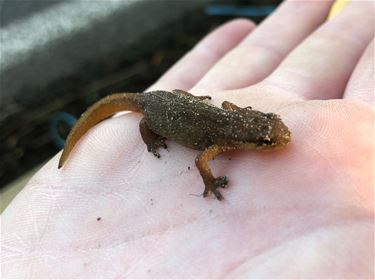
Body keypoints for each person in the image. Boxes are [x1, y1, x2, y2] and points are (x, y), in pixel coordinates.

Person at [2, 0, 373, 277]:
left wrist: (204, 104)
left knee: (175, 103)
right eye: (265, 139)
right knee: (152, 122)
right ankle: (152, 135)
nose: (277, 140)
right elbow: (200, 160)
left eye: (268, 129)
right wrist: (205, 180)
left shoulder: (233, 118)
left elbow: (228, 103)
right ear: (244, 140)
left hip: (173, 100)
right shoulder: (219, 141)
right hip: (152, 107)